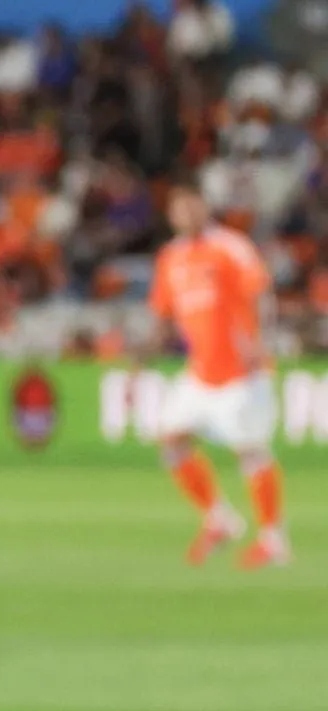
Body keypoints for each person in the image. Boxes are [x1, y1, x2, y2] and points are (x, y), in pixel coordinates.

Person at [145, 184, 288, 569]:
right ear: (171, 216)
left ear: (204, 206)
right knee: (171, 441)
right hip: (200, 372)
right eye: (179, 209)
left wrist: (260, 341)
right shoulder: (171, 257)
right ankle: (219, 518)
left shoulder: (230, 246)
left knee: (251, 450)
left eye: (193, 206)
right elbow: (162, 313)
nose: (187, 214)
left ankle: (273, 539)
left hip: (241, 371)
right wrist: (141, 361)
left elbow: (260, 292)